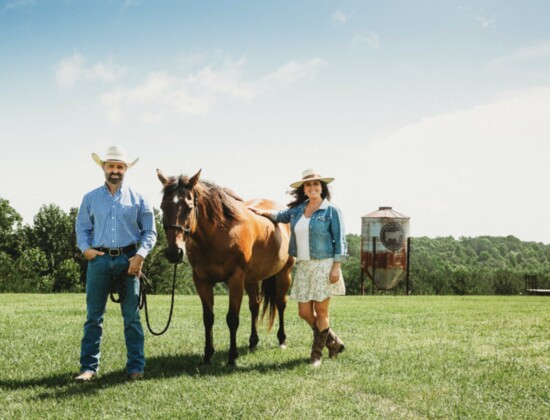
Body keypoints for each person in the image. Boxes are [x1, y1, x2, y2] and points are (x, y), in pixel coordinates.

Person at [74, 146, 157, 381]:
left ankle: (135, 368)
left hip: (128, 260)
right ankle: (88, 368)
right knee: (93, 317)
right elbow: (82, 226)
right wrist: (86, 249)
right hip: (98, 260)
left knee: (131, 317)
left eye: (120, 167)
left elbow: (150, 232)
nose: (115, 170)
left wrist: (139, 257)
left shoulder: (140, 198)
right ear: (103, 168)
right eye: (111, 166)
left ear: (125, 169)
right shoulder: (90, 198)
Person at [249, 169, 347, 366]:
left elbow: (341, 241)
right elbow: (280, 215)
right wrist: (259, 212)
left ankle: (316, 355)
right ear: (304, 189)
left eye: (316, 184)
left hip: (324, 265)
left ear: (322, 187)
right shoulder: (298, 210)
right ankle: (333, 341)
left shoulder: (331, 211)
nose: (312, 187)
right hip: (303, 266)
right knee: (303, 312)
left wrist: (336, 267)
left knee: (321, 311)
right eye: (308, 185)